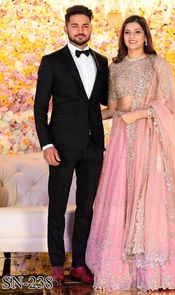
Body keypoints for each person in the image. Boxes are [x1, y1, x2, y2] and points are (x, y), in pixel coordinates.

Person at [85, 15, 175, 291]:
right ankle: (121, 269)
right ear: (123, 37)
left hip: (149, 141)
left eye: (137, 32)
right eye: (127, 32)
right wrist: (80, 117)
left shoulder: (157, 64)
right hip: (122, 142)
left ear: (146, 36)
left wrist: (141, 113)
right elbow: (111, 109)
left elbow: (171, 107)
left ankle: (153, 271)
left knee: (149, 197)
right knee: (122, 196)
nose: (132, 37)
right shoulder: (115, 68)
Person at [34, 5, 108, 285]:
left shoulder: (101, 61)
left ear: (91, 27)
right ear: (66, 28)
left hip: (93, 146)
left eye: (85, 25)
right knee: (58, 204)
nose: (80, 30)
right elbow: (40, 107)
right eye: (74, 25)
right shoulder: (52, 61)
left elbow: (103, 101)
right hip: (62, 146)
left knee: (87, 208)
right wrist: (46, 145)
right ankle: (55, 265)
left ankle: (79, 263)